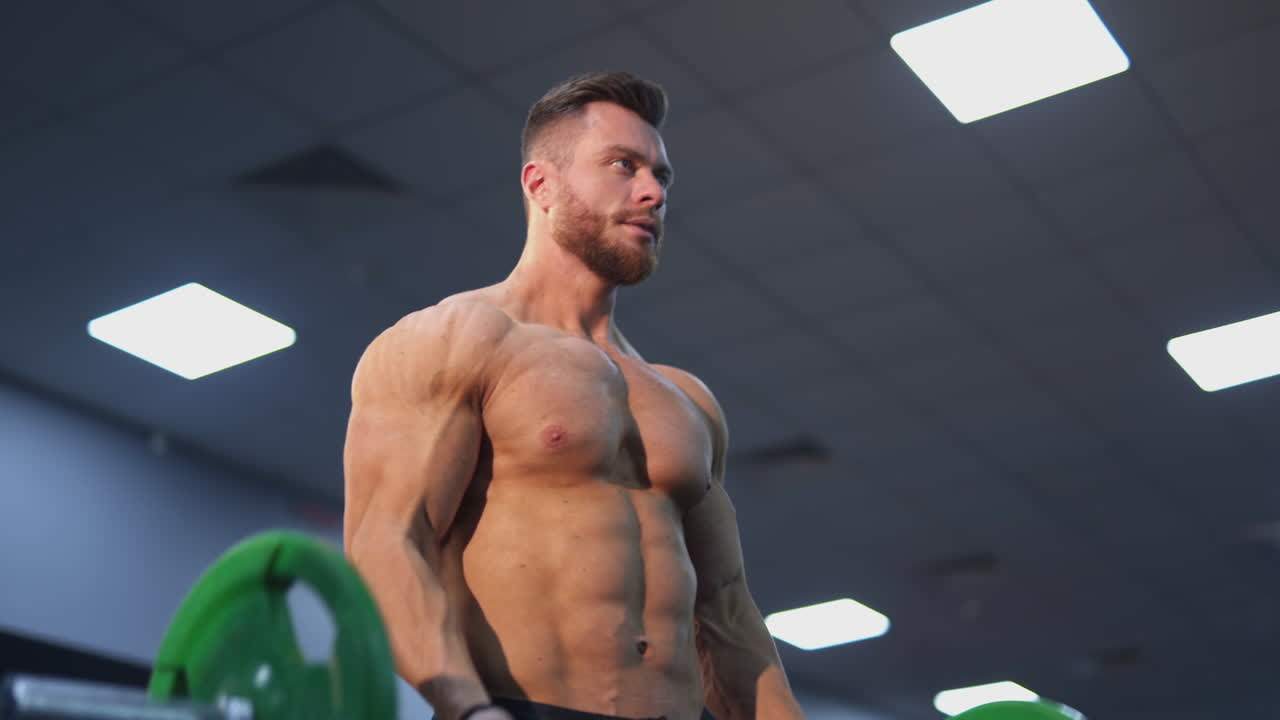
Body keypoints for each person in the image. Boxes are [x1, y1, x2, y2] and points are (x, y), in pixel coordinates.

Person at [343, 71, 805, 720]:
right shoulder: (455, 338)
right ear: (541, 185)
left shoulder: (688, 401)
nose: (651, 192)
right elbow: (385, 547)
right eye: (623, 165)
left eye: (661, 177)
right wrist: (468, 709)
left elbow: (728, 614)